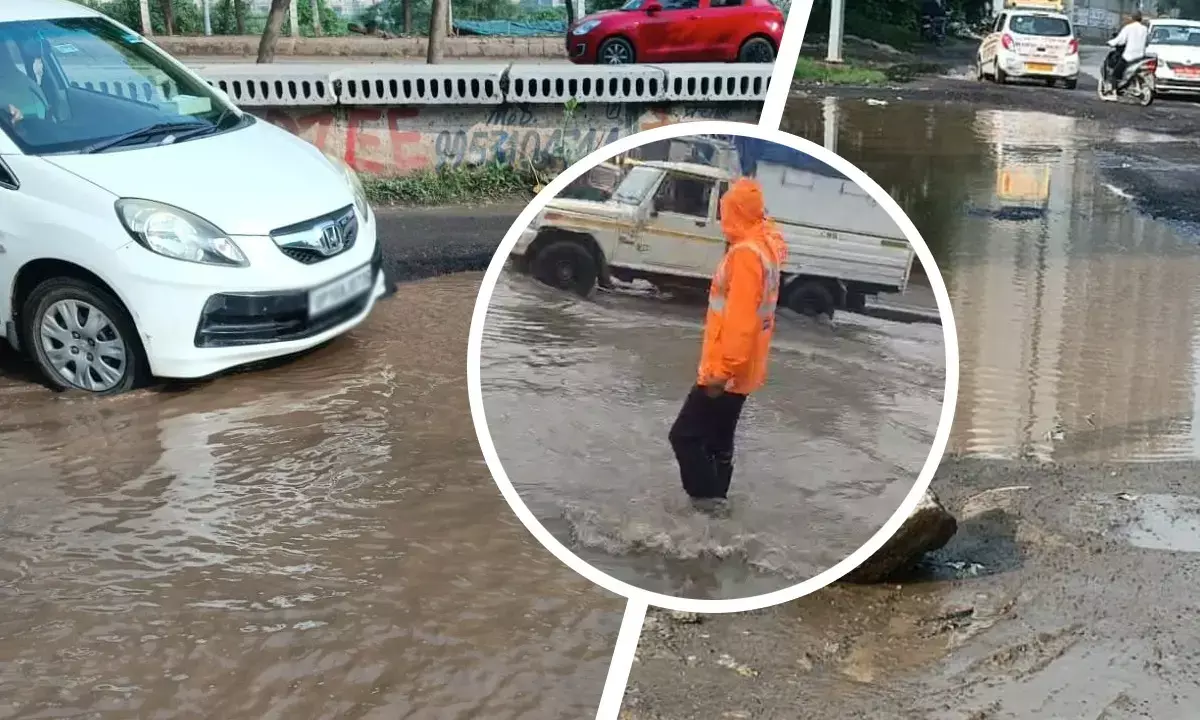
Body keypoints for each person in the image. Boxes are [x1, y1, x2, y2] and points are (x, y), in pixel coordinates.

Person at [667, 176, 787, 513]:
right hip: (745, 369)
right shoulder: (765, 245)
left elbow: (741, 322)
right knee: (718, 443)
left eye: (725, 211)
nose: (722, 219)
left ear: (734, 212)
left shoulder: (747, 255)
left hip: (728, 370)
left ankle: (707, 512)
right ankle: (718, 510)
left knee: (685, 437)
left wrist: (721, 372)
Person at [1108, 10, 1149, 89]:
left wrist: (1110, 43)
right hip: (1140, 56)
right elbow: (1147, 42)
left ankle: (1113, 91)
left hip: (1129, 56)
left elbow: (1120, 40)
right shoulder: (1145, 29)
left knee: (1115, 74)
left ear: (1132, 18)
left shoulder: (1128, 27)